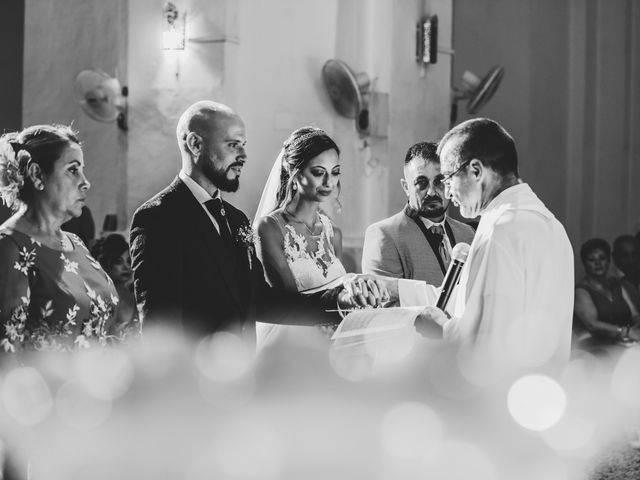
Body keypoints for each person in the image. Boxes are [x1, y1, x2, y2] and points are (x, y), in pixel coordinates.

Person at [129, 101, 380, 345]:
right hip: (197, 378)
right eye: (232, 145)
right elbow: (159, 328)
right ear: (195, 144)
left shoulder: (236, 219)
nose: (243, 155)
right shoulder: (158, 217)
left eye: (244, 145)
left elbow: (261, 300)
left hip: (242, 372)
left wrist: (340, 302)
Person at [378, 118, 574, 376]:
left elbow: (487, 345)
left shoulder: (501, 230)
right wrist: (397, 290)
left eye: (447, 178)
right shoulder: (551, 226)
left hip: (498, 399)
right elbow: (470, 301)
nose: (447, 193)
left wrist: (442, 329)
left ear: (476, 170)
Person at [0, 125, 127, 353]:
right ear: (37, 174)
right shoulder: (9, 246)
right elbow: (7, 353)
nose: (85, 181)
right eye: (73, 170)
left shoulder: (75, 243)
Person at [253, 127, 353, 343]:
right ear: (294, 173)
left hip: (334, 340)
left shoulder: (333, 233)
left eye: (335, 172)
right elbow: (290, 303)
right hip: (291, 339)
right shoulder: (269, 228)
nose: (329, 182)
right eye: (318, 172)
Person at [361, 141, 475, 286]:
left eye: (439, 181)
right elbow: (386, 305)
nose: (431, 192)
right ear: (406, 187)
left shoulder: (468, 234)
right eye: (421, 182)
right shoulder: (383, 235)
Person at [573, 238, 640, 349]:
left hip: (627, 343)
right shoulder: (581, 291)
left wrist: (636, 329)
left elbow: (634, 315)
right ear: (585, 264)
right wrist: (623, 331)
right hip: (597, 347)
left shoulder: (618, 284)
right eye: (591, 260)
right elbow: (592, 324)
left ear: (609, 261)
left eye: (602, 258)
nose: (598, 263)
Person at [91, 234, 140, 339]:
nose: (126, 267)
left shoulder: (137, 298)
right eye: (118, 262)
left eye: (129, 261)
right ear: (105, 264)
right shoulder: (96, 298)